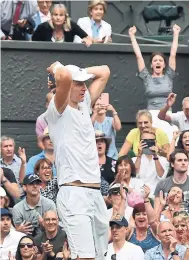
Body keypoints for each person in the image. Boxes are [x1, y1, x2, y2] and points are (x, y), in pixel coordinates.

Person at [46, 60, 111, 259]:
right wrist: (56, 67)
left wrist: (81, 72)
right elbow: (64, 76)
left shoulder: (84, 104)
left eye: (85, 83)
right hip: (73, 194)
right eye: (79, 83)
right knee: (85, 257)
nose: (84, 87)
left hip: (95, 193)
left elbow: (104, 71)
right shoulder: (57, 109)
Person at [128, 23, 180, 142]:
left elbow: (173, 54)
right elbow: (139, 57)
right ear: (151, 64)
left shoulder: (169, 75)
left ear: (164, 64)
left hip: (167, 114)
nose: (157, 62)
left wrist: (176, 34)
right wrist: (132, 37)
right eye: (155, 60)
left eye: (160, 60)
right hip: (151, 115)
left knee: (168, 140)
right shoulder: (146, 77)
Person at [133, 128, 168, 196]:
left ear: (155, 142)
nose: (148, 143)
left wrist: (155, 155)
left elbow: (161, 176)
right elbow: (134, 175)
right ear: (140, 142)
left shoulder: (163, 160)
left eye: (151, 141)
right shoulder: (134, 160)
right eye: (145, 141)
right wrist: (139, 155)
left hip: (156, 194)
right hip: (138, 194)